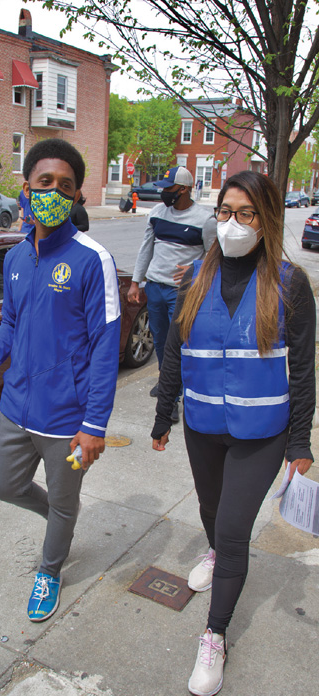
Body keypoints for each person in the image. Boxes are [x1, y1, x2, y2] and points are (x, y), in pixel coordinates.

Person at [151, 170, 315, 696]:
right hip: (202, 424)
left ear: (265, 220)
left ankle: (214, 634)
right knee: (210, 512)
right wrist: (164, 414)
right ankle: (216, 551)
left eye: (246, 214)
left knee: (233, 528)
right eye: (225, 212)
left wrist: (299, 443)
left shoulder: (289, 283)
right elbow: (176, 350)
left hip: (261, 433)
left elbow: (304, 370)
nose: (233, 223)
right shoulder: (195, 274)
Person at [0, 138, 121, 623]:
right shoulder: (15, 258)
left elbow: (105, 348)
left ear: (76, 197)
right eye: (45, 183)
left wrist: (95, 425)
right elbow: (10, 325)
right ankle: (60, 516)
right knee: (5, 487)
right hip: (15, 408)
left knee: (64, 504)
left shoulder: (93, 259)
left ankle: (49, 569)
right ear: (27, 189)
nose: (54, 191)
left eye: (66, 186)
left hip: (66, 420)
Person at [128, 166, 215, 423]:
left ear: (184, 189)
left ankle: (173, 397)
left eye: (169, 188)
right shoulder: (156, 214)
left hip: (183, 291)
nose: (164, 192)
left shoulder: (205, 220)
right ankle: (168, 383)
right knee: (161, 340)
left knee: (178, 343)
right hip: (155, 286)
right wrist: (135, 282)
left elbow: (213, 257)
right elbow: (146, 249)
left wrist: (195, 269)